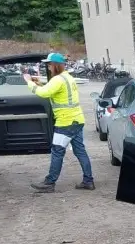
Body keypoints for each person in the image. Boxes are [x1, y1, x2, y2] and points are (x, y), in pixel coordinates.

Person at [24, 53, 94, 192]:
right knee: (80, 151)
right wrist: (39, 83)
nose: (48, 67)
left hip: (65, 122)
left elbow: (43, 93)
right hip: (76, 120)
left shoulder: (57, 80)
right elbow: (52, 90)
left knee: (57, 151)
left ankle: (50, 183)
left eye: (50, 64)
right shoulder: (67, 78)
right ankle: (88, 181)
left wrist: (29, 82)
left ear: (55, 65)